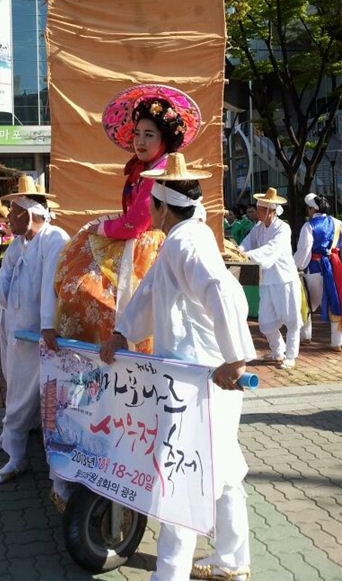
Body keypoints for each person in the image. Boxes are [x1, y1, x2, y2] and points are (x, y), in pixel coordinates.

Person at [101, 152, 256, 581]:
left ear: (162, 207)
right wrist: (123, 334)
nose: (146, 210)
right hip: (200, 378)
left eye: (149, 203)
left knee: (180, 475)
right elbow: (150, 294)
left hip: (200, 381)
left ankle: (169, 575)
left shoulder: (186, 242)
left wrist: (234, 359)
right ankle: (232, 561)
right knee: (222, 470)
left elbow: (221, 292)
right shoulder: (185, 238)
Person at [55, 83, 202, 353]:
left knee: (92, 292)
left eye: (149, 135)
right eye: (137, 134)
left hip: (147, 246)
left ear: (164, 140)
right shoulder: (143, 169)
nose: (140, 141)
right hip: (134, 240)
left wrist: (102, 228)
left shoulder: (157, 173)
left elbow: (135, 224)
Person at [0, 176, 70, 486]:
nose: (8, 218)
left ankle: (39, 465)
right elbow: (7, 286)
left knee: (43, 401)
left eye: (14, 213)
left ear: (32, 215)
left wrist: (48, 325)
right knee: (17, 391)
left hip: (42, 337)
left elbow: (51, 287)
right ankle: (15, 450)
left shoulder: (53, 239)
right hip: (19, 333)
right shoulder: (20, 244)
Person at [239, 188, 303, 369]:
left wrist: (247, 256)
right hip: (266, 279)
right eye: (258, 208)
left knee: (291, 320)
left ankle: (290, 356)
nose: (257, 211)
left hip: (284, 279)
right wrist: (238, 252)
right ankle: (277, 350)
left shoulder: (283, 229)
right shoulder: (258, 228)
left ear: (270, 211)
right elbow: (247, 243)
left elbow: (270, 250)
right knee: (265, 322)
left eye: (260, 209)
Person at [294, 193, 342, 351]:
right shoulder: (337, 223)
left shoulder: (309, 226)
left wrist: (297, 266)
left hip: (313, 268)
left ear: (311, 209)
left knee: (306, 302)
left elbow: (304, 250)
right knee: (335, 302)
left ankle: (306, 337)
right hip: (333, 267)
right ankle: (337, 342)